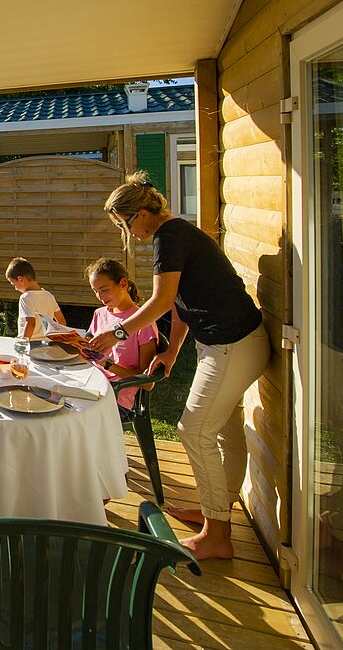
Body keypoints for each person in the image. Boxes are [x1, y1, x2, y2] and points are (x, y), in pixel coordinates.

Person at [86, 172, 268, 560]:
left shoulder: (168, 237)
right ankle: (216, 512)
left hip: (231, 345)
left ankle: (216, 534)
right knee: (225, 430)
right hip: (234, 343)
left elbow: (161, 300)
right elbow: (181, 303)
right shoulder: (178, 233)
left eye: (125, 224)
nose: (127, 234)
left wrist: (118, 334)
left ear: (141, 214)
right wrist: (171, 352)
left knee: (193, 429)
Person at [84, 258, 159, 419]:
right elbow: (88, 344)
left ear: (123, 284)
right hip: (90, 385)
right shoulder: (99, 314)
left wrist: (108, 365)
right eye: (95, 291)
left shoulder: (142, 322)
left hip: (117, 397)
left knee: (72, 420)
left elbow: (147, 383)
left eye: (104, 289)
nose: (100, 296)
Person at [5, 257, 65, 340]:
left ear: (20, 279)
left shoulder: (26, 297)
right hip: (47, 343)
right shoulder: (49, 296)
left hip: (31, 343)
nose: (15, 288)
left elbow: (30, 323)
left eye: (14, 284)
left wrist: (23, 344)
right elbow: (62, 322)